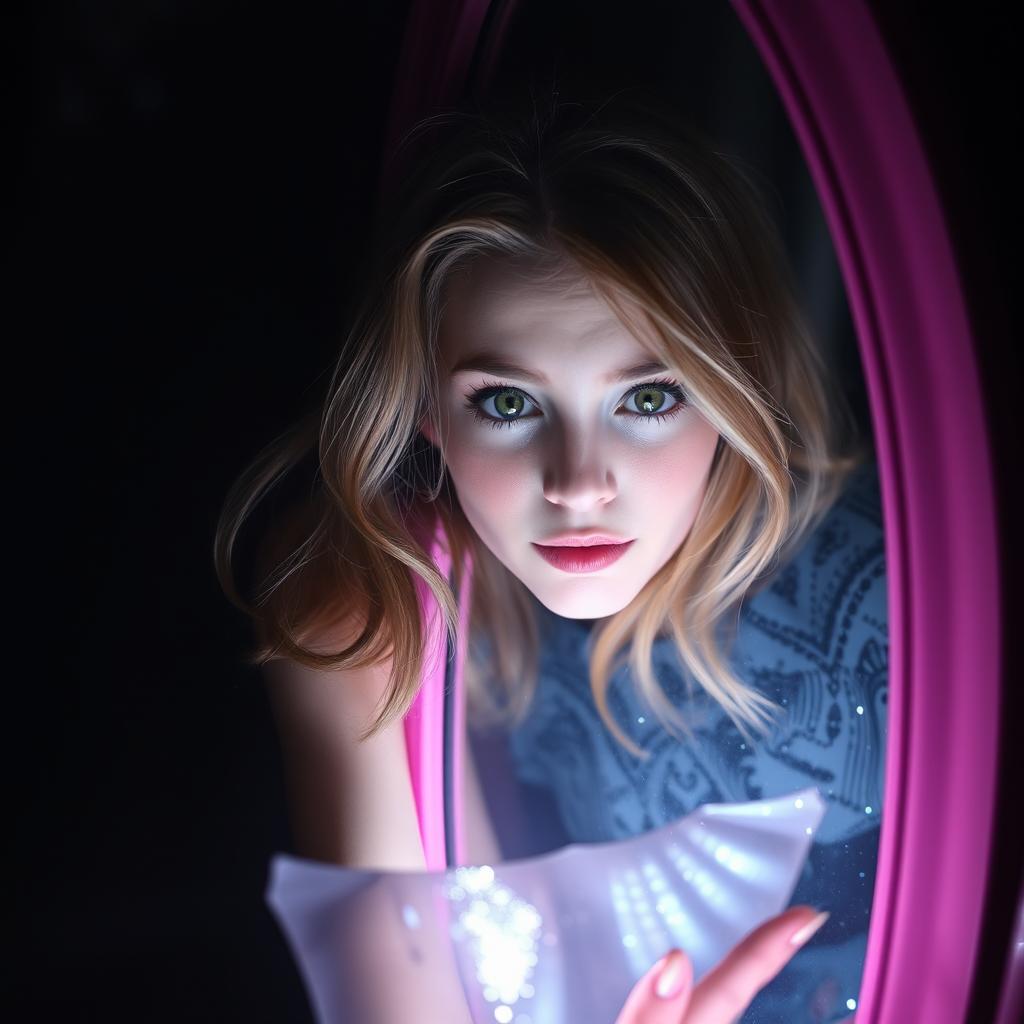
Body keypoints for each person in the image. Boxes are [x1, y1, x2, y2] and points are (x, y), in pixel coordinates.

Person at [214, 84, 880, 1022]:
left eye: (647, 399)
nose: (577, 483)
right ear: (425, 415)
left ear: (735, 390)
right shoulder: (383, 604)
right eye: (509, 403)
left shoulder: (901, 609)